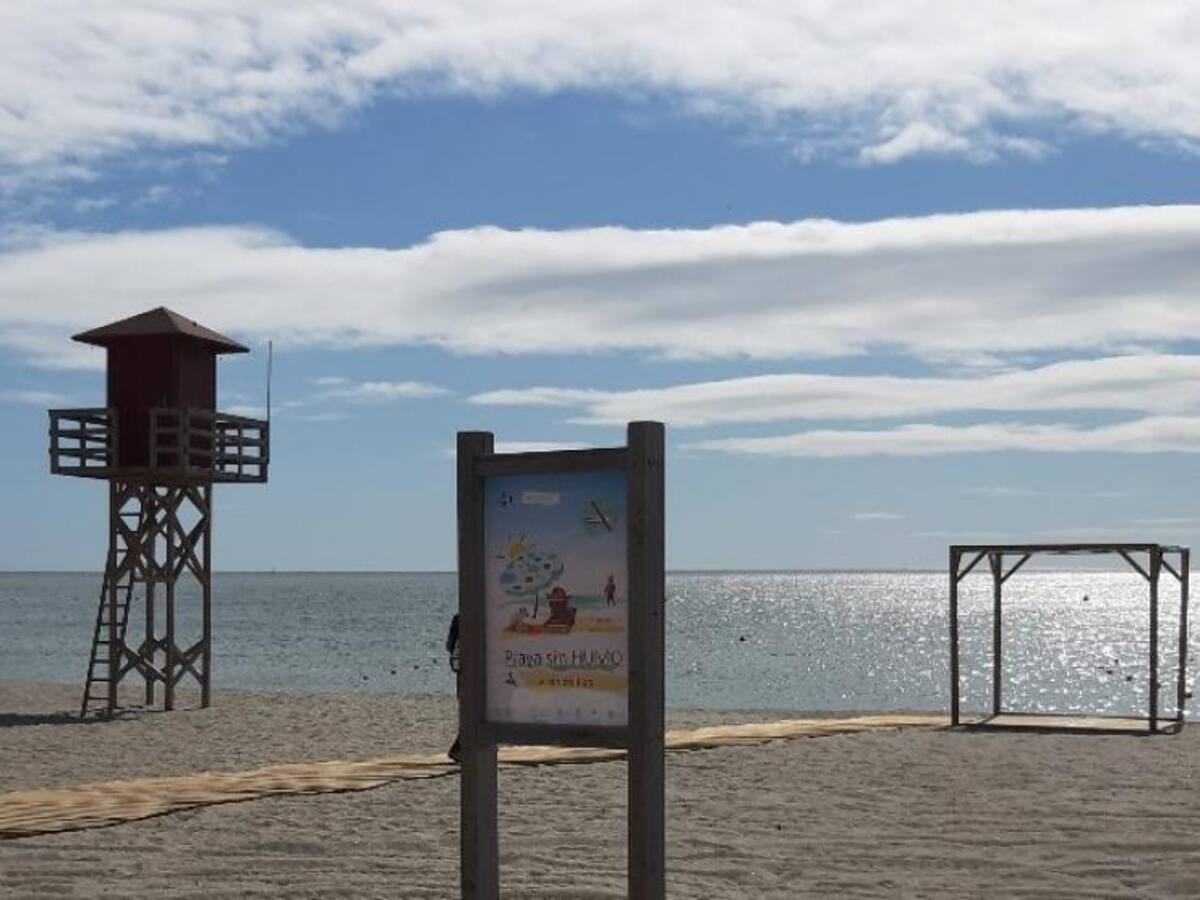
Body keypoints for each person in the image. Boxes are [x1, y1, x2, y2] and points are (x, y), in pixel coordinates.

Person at [446, 612, 462, 762]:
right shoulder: (486, 617)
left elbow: (449, 646)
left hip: (462, 670)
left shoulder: (458, 618)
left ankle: (459, 748)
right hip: (475, 671)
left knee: (466, 710)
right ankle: (458, 748)